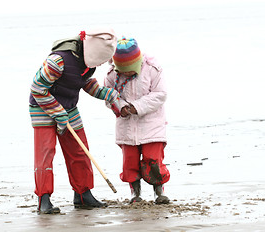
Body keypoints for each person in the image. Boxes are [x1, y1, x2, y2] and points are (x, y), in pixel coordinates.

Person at [29, 28, 119, 214]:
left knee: (80, 150)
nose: (101, 64)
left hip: (68, 107)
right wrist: (57, 113)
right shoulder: (58, 61)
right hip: (42, 106)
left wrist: (105, 93)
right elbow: (38, 88)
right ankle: (43, 200)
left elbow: (84, 82)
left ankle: (83, 195)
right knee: (45, 153)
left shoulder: (87, 62)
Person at [104, 37, 170, 204]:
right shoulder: (112, 75)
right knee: (130, 162)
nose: (127, 74)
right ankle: (135, 192)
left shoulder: (152, 69)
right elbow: (107, 96)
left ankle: (159, 191)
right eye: (123, 71)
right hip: (126, 127)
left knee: (153, 160)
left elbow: (160, 95)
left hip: (152, 125)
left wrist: (136, 107)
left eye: (130, 70)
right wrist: (121, 106)